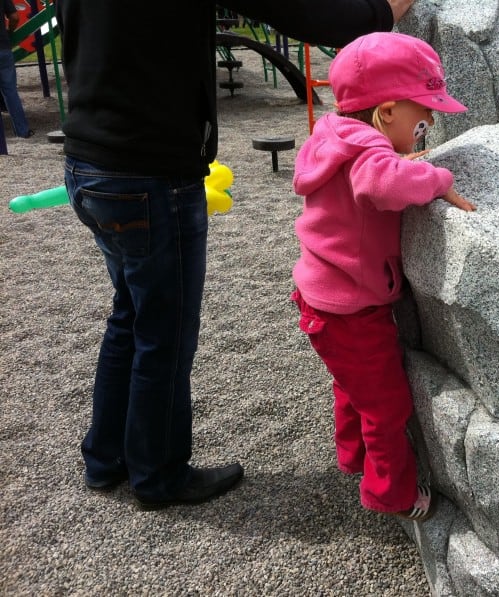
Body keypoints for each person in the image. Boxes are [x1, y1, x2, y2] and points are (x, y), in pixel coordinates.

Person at [54, 0, 417, 511]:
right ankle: (157, 475)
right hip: (150, 169)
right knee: (164, 335)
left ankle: (106, 457)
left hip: (89, 160)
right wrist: (381, 11)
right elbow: (298, 10)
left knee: (131, 315)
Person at [290, 32, 476, 521]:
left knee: (352, 385)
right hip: (353, 310)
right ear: (387, 112)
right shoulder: (368, 153)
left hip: (323, 299)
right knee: (386, 405)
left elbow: (374, 169)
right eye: (424, 115)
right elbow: (381, 184)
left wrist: (393, 159)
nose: (429, 123)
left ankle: (352, 456)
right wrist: (438, 179)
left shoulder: (336, 135)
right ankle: (392, 494)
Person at [0, 0, 33, 138]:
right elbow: (14, 17)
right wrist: (9, 31)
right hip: (2, 47)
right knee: (10, 92)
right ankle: (22, 131)